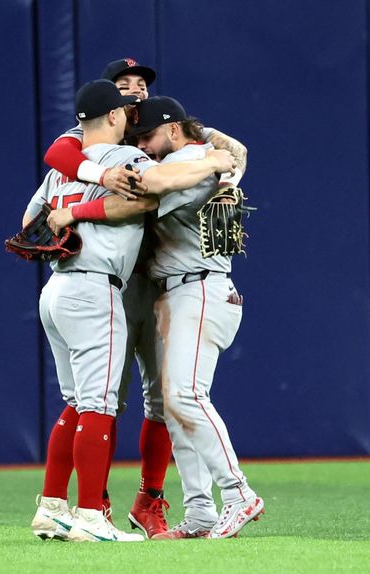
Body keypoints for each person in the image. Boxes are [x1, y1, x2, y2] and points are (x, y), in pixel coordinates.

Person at [42, 57, 248, 538]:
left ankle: (149, 500)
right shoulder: (94, 142)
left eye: (140, 83)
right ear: (111, 104)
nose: (134, 90)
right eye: (123, 85)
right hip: (118, 280)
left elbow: (235, 150)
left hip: (159, 281)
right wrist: (96, 178)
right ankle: (97, 505)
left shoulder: (165, 128)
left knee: (163, 398)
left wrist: (220, 166)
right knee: (102, 398)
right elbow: (57, 154)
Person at [131, 96, 264, 540]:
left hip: (199, 287)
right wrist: (213, 142)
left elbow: (152, 183)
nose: (143, 147)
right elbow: (237, 151)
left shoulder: (191, 158)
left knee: (185, 396)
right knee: (175, 404)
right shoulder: (210, 153)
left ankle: (239, 493)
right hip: (185, 291)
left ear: (172, 131)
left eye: (146, 136)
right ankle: (201, 511)